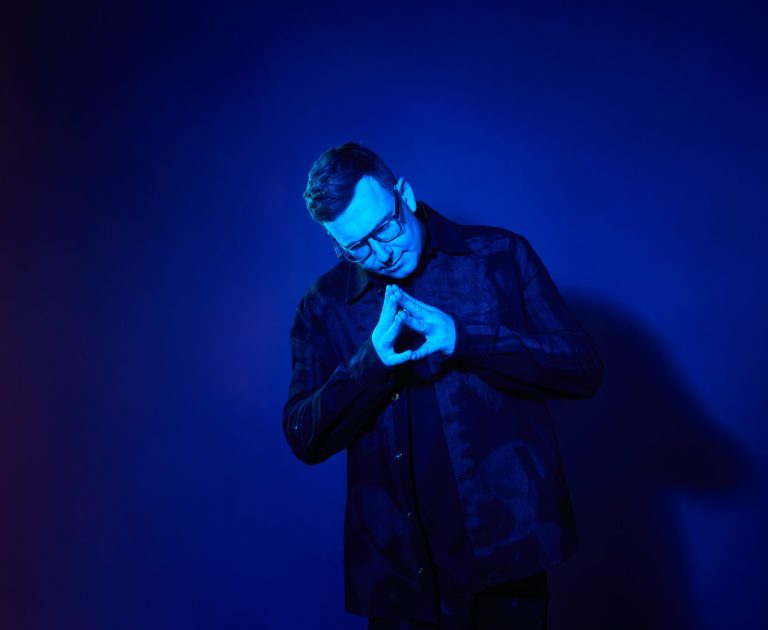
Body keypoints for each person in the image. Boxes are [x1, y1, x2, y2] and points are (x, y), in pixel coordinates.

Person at [282, 142, 603, 629]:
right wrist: (370, 363)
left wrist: (464, 338)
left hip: (508, 560)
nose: (382, 253)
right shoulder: (322, 306)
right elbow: (303, 437)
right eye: (357, 247)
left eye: (385, 228)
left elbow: (583, 368)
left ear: (405, 195)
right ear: (335, 243)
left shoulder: (501, 256)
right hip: (398, 580)